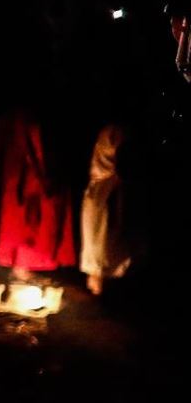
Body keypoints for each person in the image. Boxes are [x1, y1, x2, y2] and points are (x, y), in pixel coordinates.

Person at [0, 101, 77, 275]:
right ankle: (21, 262)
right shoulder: (19, 121)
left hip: (24, 178)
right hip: (20, 177)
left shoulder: (21, 120)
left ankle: (23, 262)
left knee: (26, 223)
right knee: (22, 223)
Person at [79, 124, 130, 295]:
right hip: (101, 191)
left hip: (105, 192)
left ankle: (100, 283)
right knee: (96, 237)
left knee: (102, 238)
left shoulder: (112, 183)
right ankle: (97, 282)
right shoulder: (102, 181)